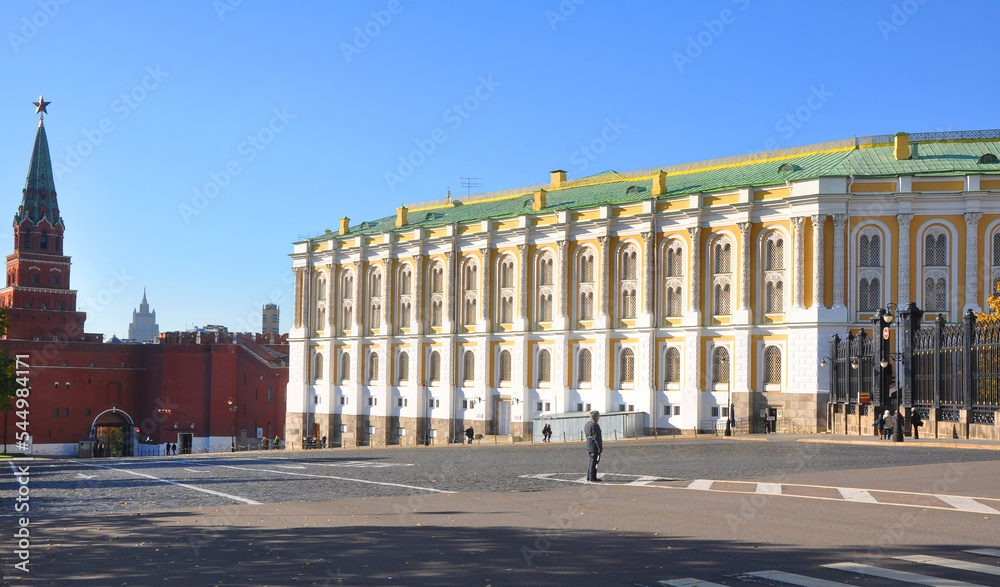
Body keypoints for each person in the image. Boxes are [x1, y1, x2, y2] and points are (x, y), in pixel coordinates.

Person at [584, 410, 603, 482]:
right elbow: (597, 437)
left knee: (591, 461)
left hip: (589, 444)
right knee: (594, 461)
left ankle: (589, 476)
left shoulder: (587, 424)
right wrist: (599, 447)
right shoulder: (595, 425)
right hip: (594, 445)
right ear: (596, 417)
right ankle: (592, 476)